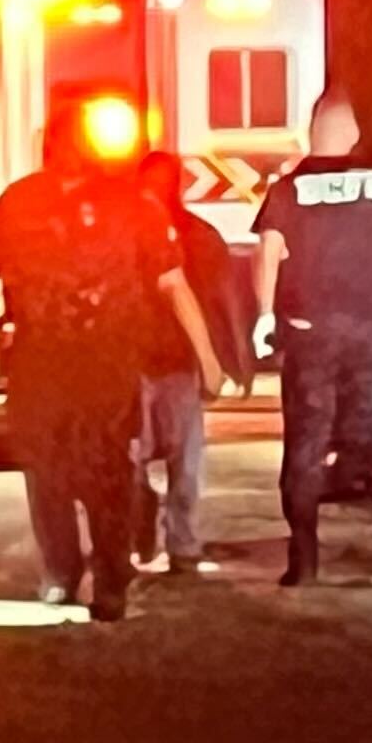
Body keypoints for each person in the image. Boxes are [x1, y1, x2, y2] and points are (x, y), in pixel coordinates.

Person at [0, 98, 228, 619]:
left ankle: (83, 574)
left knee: (73, 471)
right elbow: (174, 287)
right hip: (78, 363)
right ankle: (91, 575)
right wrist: (206, 358)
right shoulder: (86, 203)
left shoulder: (69, 202)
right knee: (82, 469)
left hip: (74, 363)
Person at [256, 90, 372, 587]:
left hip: (311, 333)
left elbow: (267, 253)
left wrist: (265, 315)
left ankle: (304, 563)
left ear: (314, 133)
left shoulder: (288, 190)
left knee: (306, 442)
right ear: (353, 134)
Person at [135, 154, 244, 575]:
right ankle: (144, 533)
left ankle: (180, 543)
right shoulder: (127, 231)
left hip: (177, 362)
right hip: (134, 363)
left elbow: (219, 300)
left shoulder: (198, 236)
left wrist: (220, 359)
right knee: (134, 461)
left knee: (185, 462)